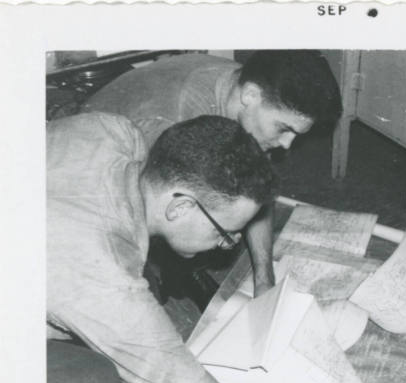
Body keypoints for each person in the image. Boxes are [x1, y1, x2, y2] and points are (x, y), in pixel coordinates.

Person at [47, 113, 390, 383]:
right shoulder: (105, 279)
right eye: (225, 233)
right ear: (181, 206)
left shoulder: (112, 131)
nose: (227, 246)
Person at [84, 51, 343, 301]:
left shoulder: (250, 97)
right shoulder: (176, 118)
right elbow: (147, 207)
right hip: (94, 167)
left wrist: (264, 279)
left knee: (220, 215)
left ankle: (182, 267)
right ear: (251, 94)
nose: (287, 144)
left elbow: (255, 190)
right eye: (284, 128)